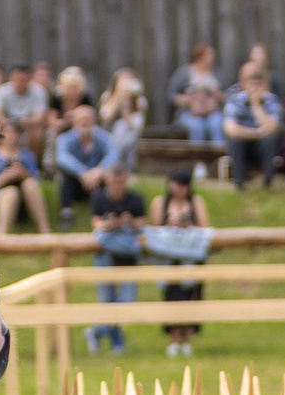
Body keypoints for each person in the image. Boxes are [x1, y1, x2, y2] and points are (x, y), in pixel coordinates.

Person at [84, 164, 146, 355]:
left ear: (125, 181)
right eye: (113, 183)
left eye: (120, 182)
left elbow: (142, 223)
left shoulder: (136, 199)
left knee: (127, 301)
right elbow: (96, 224)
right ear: (107, 181)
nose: (117, 187)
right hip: (105, 256)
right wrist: (109, 224)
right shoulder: (99, 198)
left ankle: (96, 331)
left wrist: (128, 221)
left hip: (128, 255)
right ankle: (117, 344)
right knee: (107, 301)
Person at [151, 164, 207, 354]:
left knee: (192, 296)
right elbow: (155, 230)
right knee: (172, 297)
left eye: (184, 185)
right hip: (170, 258)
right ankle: (173, 339)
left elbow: (205, 227)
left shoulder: (196, 202)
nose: (180, 190)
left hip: (191, 256)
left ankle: (188, 340)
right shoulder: (161, 203)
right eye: (177, 185)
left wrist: (187, 224)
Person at [53, 103, 118, 217]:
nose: (84, 123)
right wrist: (82, 172)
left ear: (94, 122)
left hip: (98, 180)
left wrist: (99, 170)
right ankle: (66, 213)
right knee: (65, 175)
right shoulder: (64, 139)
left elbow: (114, 153)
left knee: (110, 174)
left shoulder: (104, 137)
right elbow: (62, 158)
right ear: (74, 122)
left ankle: (106, 212)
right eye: (81, 120)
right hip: (77, 180)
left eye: (87, 119)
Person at [0, 118, 49, 234]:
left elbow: (37, 183)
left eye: (14, 133)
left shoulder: (28, 155)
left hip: (26, 198)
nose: (10, 136)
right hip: (2, 198)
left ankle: (45, 231)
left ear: (19, 135)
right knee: (11, 192)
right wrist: (4, 178)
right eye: (7, 132)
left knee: (30, 184)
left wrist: (25, 174)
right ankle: (2, 236)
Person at [221, 68, 280, 188]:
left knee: (270, 140)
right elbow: (230, 128)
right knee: (235, 140)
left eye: (259, 85)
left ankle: (268, 181)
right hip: (244, 140)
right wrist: (257, 133)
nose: (255, 88)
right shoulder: (234, 100)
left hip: (261, 144)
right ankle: (239, 182)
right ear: (244, 85)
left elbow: (273, 127)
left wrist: (256, 105)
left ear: (266, 86)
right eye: (252, 84)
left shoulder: (272, 100)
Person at [0, 64, 52, 158]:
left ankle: (31, 162)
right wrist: (9, 124)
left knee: (36, 133)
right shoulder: (1, 91)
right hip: (7, 125)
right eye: (18, 79)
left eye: (24, 79)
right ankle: (0, 161)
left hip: (28, 127)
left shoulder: (39, 91)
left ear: (30, 78)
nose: (21, 82)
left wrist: (29, 122)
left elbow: (39, 117)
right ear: (12, 78)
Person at [168, 43, 223, 138]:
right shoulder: (185, 73)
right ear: (199, 56)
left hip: (212, 112)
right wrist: (185, 99)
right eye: (209, 54)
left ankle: (219, 152)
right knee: (197, 126)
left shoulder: (216, 73)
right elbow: (170, 94)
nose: (212, 57)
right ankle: (197, 152)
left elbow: (227, 94)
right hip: (190, 113)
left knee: (217, 124)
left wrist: (216, 95)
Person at [98, 68, 146, 164]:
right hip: (108, 132)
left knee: (124, 129)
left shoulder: (140, 101)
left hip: (129, 136)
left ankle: (119, 162)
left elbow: (136, 126)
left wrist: (126, 106)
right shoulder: (107, 97)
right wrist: (118, 97)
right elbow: (106, 118)